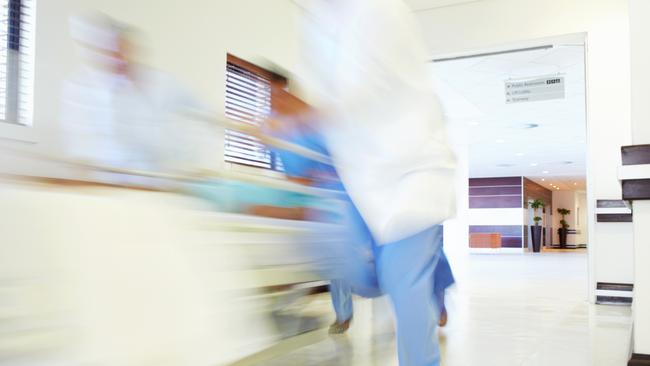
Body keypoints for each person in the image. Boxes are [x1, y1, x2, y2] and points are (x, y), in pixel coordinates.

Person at [298, 0, 457, 364]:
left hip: (412, 172)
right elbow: (323, 92)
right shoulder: (316, 19)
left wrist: (305, 117)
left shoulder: (381, 9)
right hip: (360, 177)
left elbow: (365, 88)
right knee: (358, 272)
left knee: (406, 287)